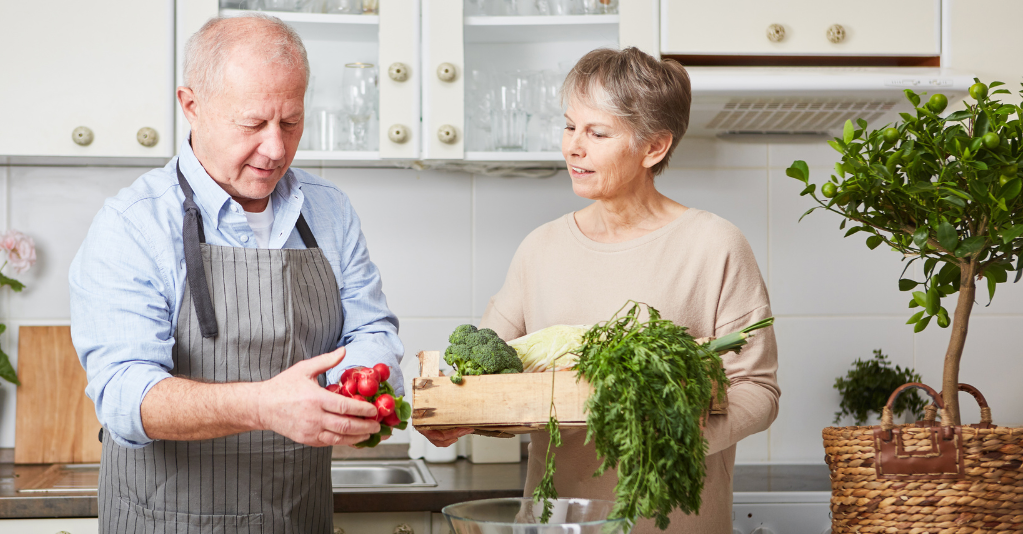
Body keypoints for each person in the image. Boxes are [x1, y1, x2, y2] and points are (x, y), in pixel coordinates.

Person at [421, 47, 780, 534]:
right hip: (555, 520)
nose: (573, 146)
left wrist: (674, 438)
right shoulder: (540, 248)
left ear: (653, 147)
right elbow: (490, 373)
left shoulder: (714, 245)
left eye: (597, 133)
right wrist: (465, 415)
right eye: (570, 126)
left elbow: (757, 390)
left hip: (673, 520)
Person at [69, 14, 403, 534]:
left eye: (291, 123)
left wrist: (357, 395)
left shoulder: (329, 211)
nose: (275, 149)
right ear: (191, 106)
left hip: (301, 519)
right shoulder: (131, 226)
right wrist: (264, 406)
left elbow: (371, 329)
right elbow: (123, 395)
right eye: (252, 125)